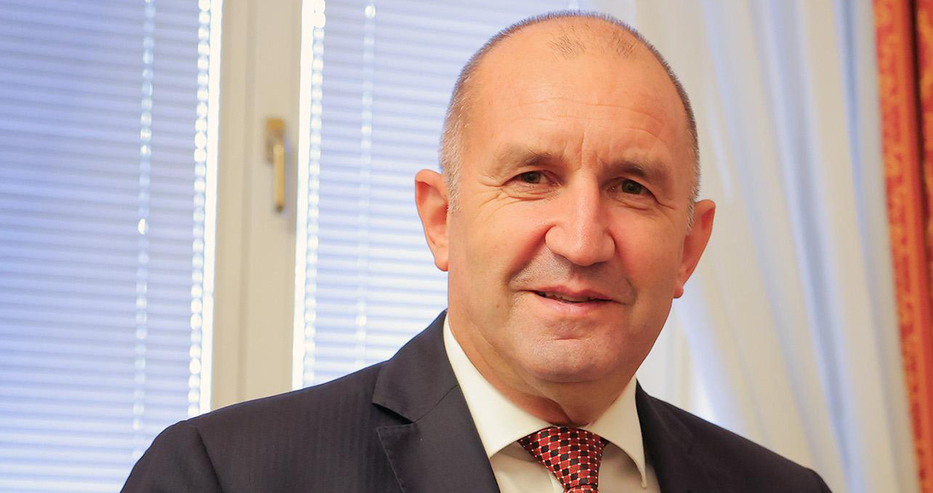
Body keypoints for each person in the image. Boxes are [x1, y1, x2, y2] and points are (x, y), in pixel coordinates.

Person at [122, 11, 832, 493]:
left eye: (632, 187)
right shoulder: (223, 475)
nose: (582, 240)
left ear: (688, 248)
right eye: (532, 178)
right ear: (440, 219)